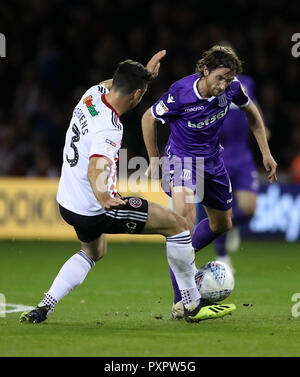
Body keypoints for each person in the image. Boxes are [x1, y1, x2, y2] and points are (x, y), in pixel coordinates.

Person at [20, 50, 236, 324]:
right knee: (179, 226)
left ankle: (44, 306)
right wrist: (105, 197)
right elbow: (95, 167)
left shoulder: (91, 95)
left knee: (93, 252)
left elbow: (114, 82)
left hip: (67, 202)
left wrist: (144, 76)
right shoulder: (110, 128)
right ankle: (192, 304)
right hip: (97, 207)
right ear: (135, 96)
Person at [141, 45, 277, 318]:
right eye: (220, 78)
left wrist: (265, 152)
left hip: (213, 162)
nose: (224, 84)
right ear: (205, 71)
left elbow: (253, 115)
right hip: (180, 161)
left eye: (229, 79)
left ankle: (182, 257)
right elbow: (148, 118)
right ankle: (184, 303)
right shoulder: (181, 92)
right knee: (184, 222)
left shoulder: (232, 89)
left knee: (222, 224)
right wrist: (154, 159)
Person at [199, 72, 261, 269]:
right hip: (218, 154)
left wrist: (262, 128)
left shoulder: (246, 83)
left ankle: (231, 225)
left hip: (242, 156)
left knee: (249, 208)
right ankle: (222, 255)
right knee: (219, 211)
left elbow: (253, 108)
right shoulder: (207, 86)